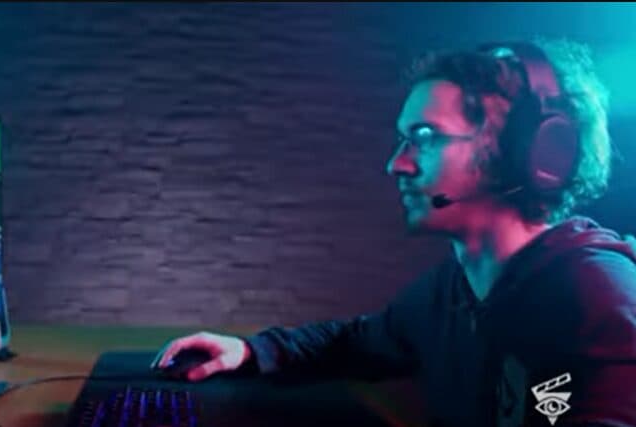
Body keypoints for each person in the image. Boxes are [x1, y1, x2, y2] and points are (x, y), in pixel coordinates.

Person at [151, 39, 636, 427]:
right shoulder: (451, 293)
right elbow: (357, 340)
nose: (396, 164)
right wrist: (250, 351)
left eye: (424, 138)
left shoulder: (596, 297)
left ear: (528, 154)